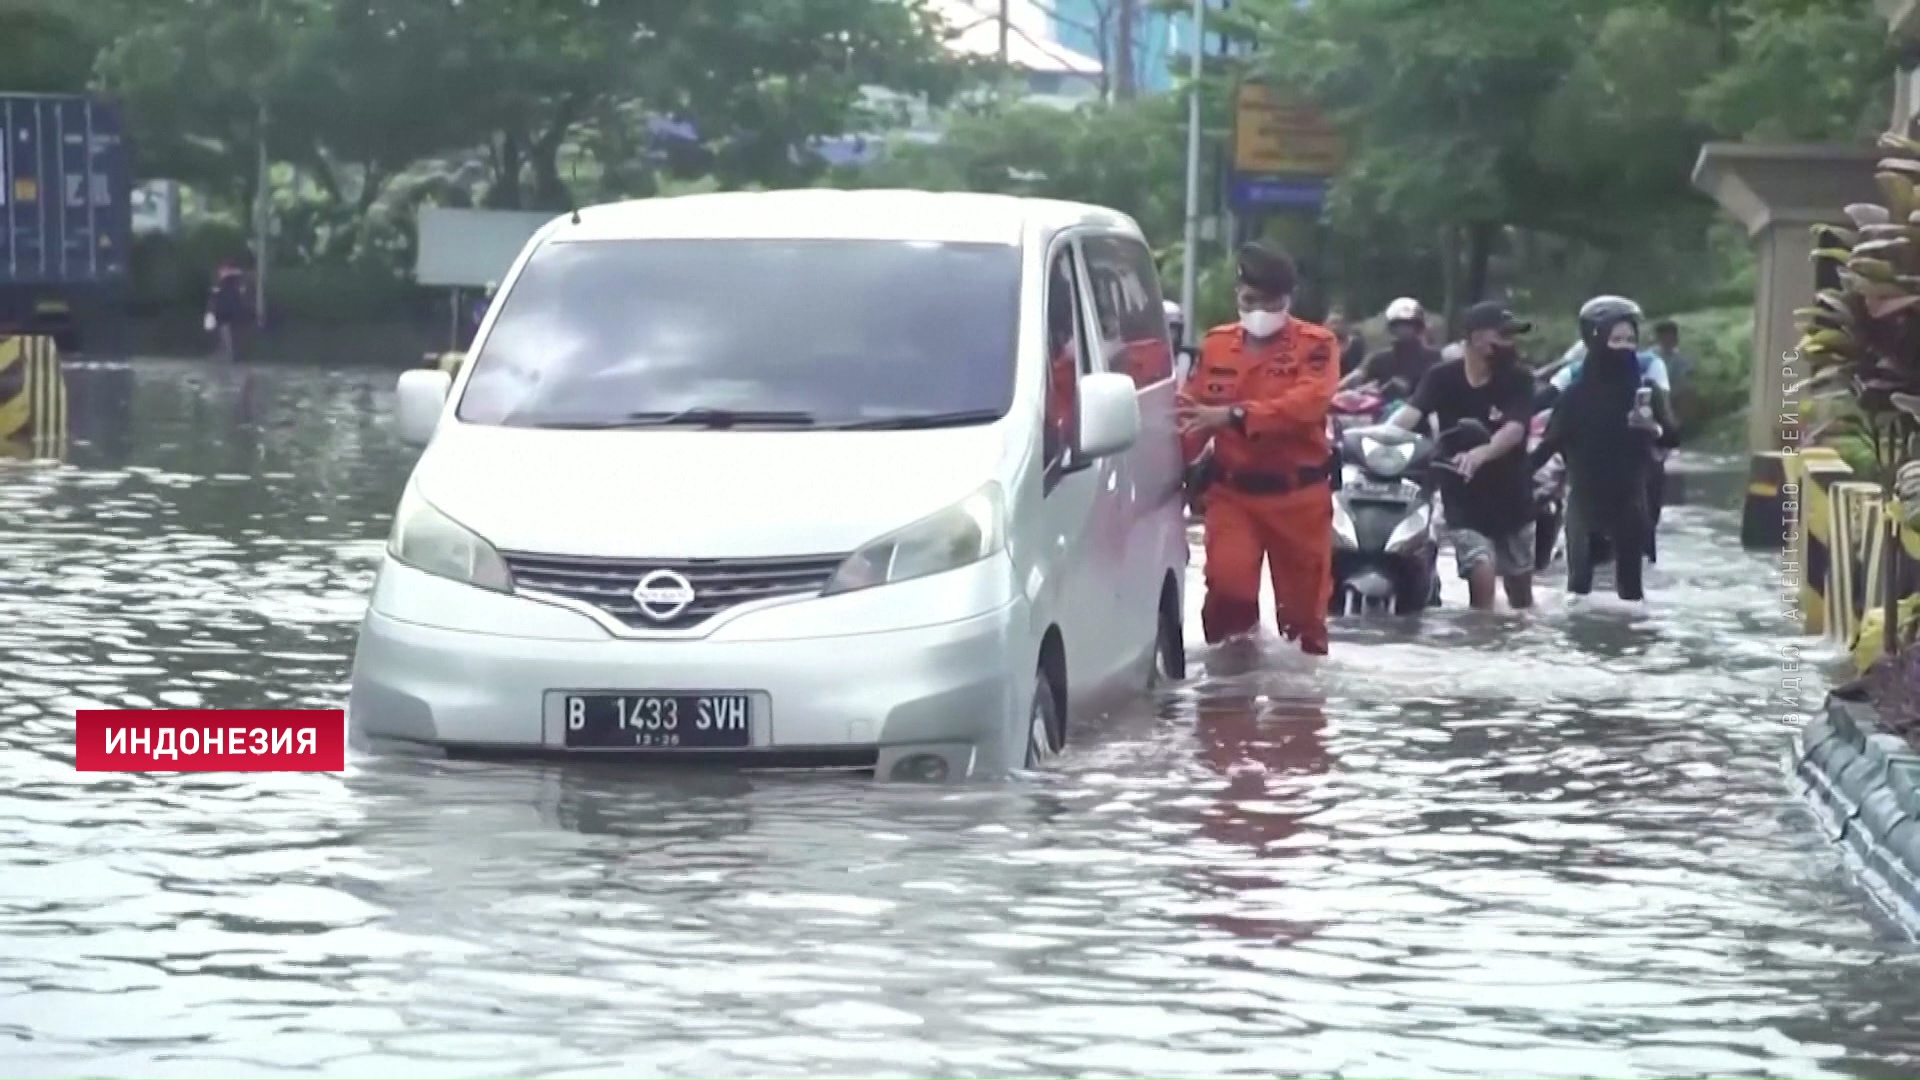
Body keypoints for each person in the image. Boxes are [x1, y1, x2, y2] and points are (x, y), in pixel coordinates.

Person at [1177, 242, 1340, 655]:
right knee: (1227, 595)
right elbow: (1189, 416)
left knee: (1303, 623)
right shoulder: (1216, 345)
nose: (1259, 311)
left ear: (1287, 300)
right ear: (1238, 295)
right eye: (1250, 300)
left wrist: (1234, 416)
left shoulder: (1316, 345)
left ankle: (1299, 711)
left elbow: (1308, 403)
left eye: (1270, 302)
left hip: (1299, 498)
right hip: (1234, 496)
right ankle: (1230, 697)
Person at [1386, 300, 1539, 611]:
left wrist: (1483, 452)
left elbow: (1514, 429)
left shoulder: (1519, 379)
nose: (1510, 343)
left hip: (1512, 496)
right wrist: (1374, 441)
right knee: (1480, 570)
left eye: (1512, 337)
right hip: (1462, 497)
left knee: (1520, 597)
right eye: (1503, 335)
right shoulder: (1441, 377)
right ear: (1475, 337)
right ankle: (1479, 643)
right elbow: (1410, 415)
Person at [1528, 296, 1679, 603]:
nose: (1624, 347)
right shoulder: (1573, 395)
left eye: (1630, 340)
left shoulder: (1645, 391)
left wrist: (1653, 428)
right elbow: (1550, 444)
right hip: (1584, 502)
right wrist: (1515, 476)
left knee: (1631, 594)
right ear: (1594, 340)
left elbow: (1672, 438)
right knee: (1578, 590)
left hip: (1630, 501)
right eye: (1616, 339)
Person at [1340, 297, 1440, 400]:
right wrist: (1339, 389)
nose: (1403, 329)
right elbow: (1358, 375)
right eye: (1399, 325)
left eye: (1409, 325)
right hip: (1383, 411)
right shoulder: (1380, 358)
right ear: (1392, 328)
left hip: (1423, 411)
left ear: (1418, 327)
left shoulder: (1435, 358)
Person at [206, 261, 248, 362]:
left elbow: (215, 295)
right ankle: (227, 352)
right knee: (225, 331)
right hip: (228, 309)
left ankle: (228, 353)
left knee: (225, 330)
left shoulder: (228, 281)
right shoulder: (231, 281)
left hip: (226, 310)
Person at [1326, 305, 1367, 376]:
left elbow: (1360, 369)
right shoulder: (1319, 346)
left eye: (1342, 322)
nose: (1336, 327)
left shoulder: (1357, 345)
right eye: (1334, 323)